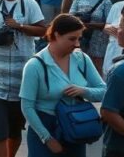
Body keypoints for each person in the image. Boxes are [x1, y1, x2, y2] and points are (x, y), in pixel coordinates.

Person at [20, 14, 106, 157]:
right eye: (72, 39)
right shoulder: (35, 65)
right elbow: (27, 106)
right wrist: (47, 138)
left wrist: (83, 91)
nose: (77, 44)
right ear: (56, 35)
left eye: (79, 38)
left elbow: (103, 91)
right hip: (45, 126)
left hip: (75, 126)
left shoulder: (82, 59)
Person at [0, 0, 46, 157]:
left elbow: (42, 30)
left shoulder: (29, 4)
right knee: (0, 133)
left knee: (15, 131)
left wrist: (20, 27)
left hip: (21, 80)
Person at [100, 9, 124, 157]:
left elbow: (108, 112)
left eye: (121, 26)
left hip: (123, 149)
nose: (117, 30)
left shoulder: (121, 70)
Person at [68, 0, 112, 76]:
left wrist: (90, 24)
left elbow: (109, 22)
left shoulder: (105, 1)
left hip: (98, 37)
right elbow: (71, 15)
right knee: (79, 59)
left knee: (97, 62)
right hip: (81, 35)